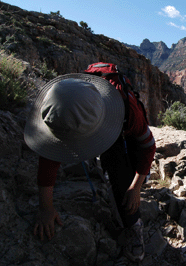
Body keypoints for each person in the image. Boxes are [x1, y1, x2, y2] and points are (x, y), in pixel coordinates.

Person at [24, 72, 156, 262]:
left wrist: (135, 187)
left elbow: (148, 146)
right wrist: (46, 208)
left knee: (117, 164)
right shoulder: (60, 109)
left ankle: (134, 225)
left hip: (120, 126)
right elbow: (48, 156)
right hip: (88, 113)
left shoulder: (128, 112)